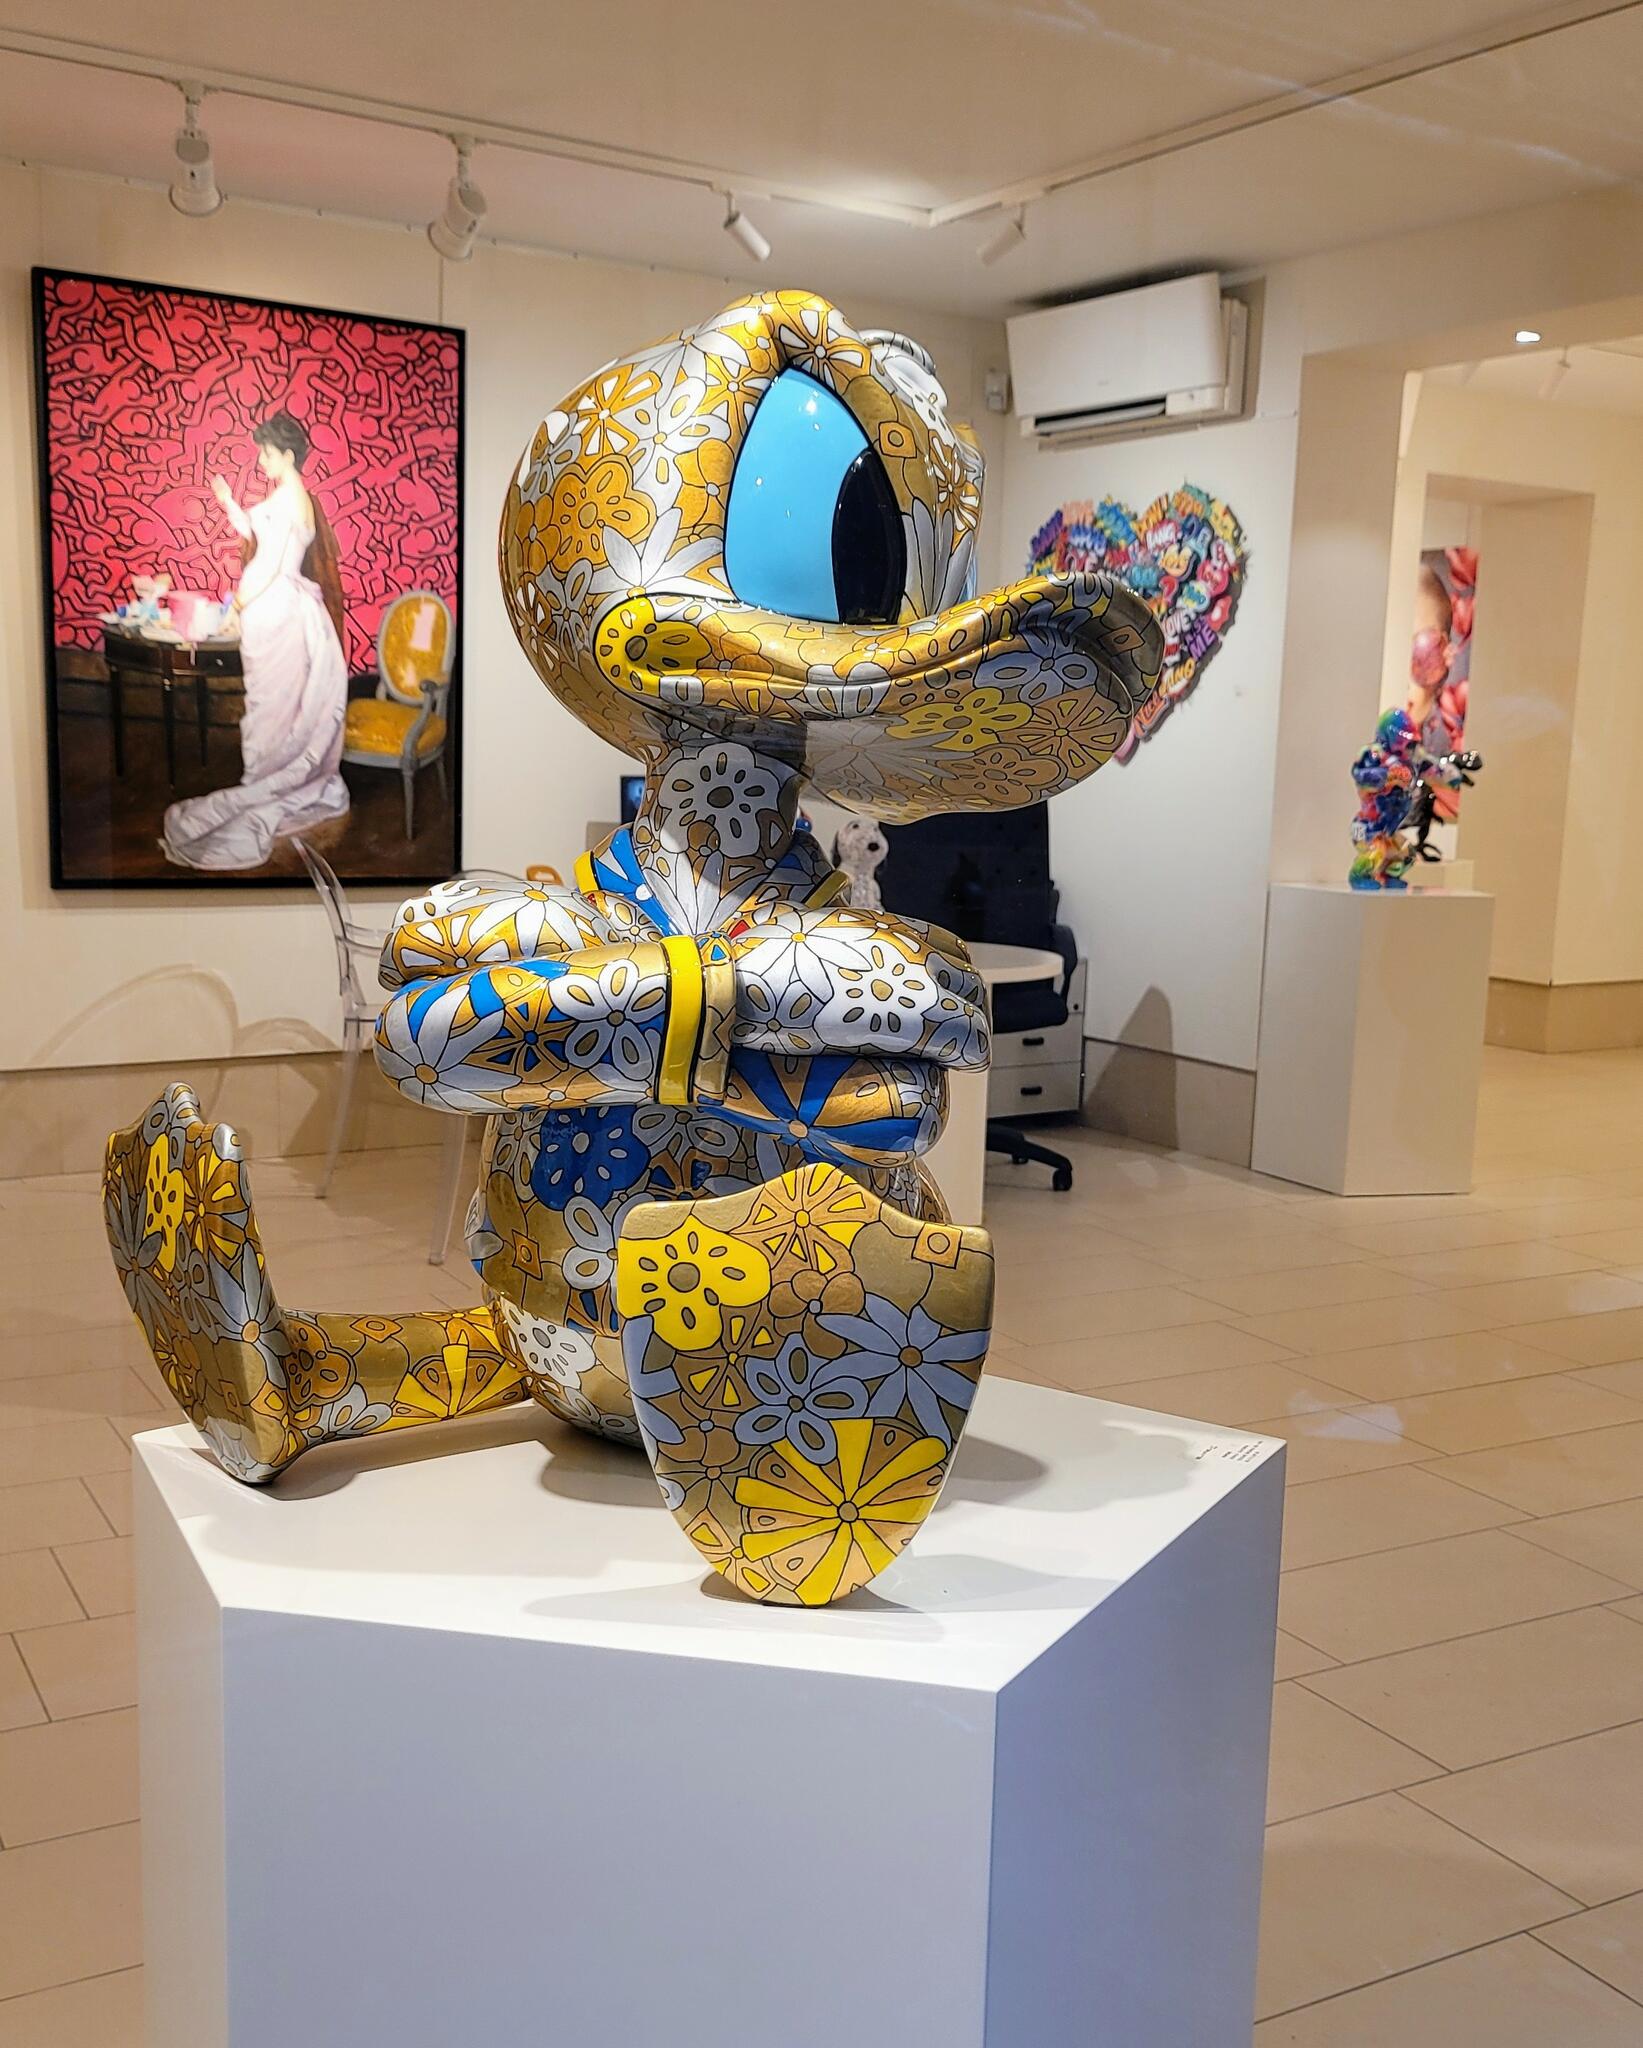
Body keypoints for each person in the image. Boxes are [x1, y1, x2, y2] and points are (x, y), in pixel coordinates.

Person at [162, 410, 350, 869]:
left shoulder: (289, 500)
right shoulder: (290, 497)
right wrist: (228, 502)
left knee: (272, 704)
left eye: (266, 453)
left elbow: (270, 565)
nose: (261, 461)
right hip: (279, 607)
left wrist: (240, 606)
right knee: (270, 703)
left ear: (286, 454)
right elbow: (256, 535)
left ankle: (263, 781)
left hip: (276, 608)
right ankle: (263, 775)